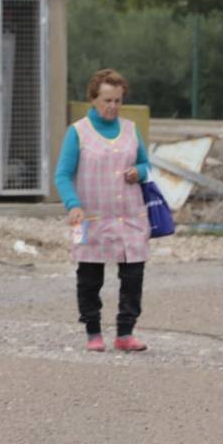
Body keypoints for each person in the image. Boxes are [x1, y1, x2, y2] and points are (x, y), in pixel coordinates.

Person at [55, 68, 152, 353]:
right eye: (107, 100)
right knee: (89, 276)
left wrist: (140, 171)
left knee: (133, 274)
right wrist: (73, 205)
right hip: (88, 217)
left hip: (130, 215)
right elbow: (62, 174)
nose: (112, 107)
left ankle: (126, 332)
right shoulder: (77, 132)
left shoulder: (131, 130)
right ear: (94, 100)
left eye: (117, 101)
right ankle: (93, 331)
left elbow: (147, 164)